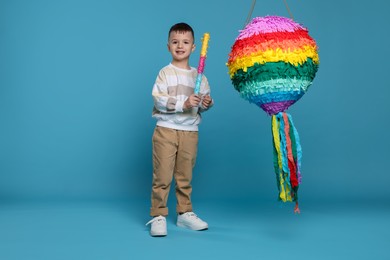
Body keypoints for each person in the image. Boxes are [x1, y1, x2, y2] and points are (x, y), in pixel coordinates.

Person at [145, 22, 213, 237]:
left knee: (185, 176)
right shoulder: (165, 73)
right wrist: (184, 102)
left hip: (190, 132)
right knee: (162, 175)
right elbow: (159, 100)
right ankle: (158, 215)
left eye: (185, 42)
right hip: (166, 130)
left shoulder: (199, 77)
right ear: (168, 47)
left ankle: (184, 213)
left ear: (194, 47)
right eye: (175, 42)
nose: (180, 46)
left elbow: (202, 102)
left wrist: (206, 103)